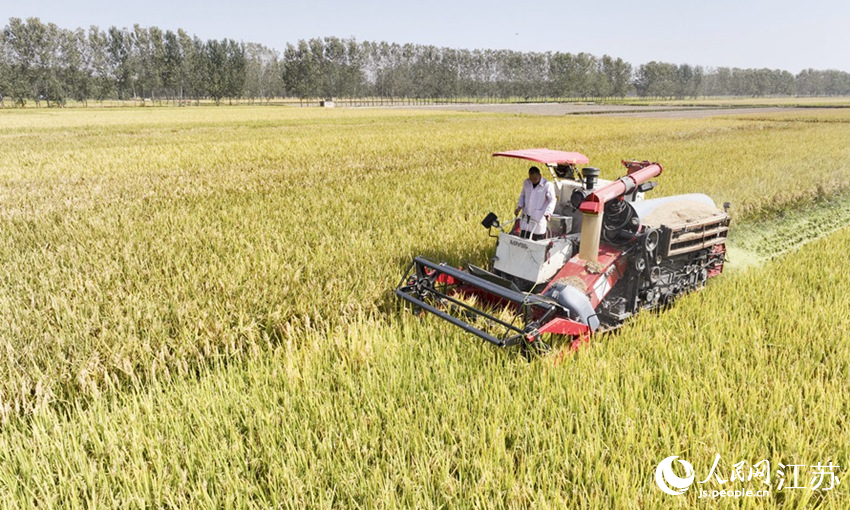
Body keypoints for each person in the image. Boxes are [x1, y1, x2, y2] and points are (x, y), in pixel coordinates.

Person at [514, 166, 556, 240]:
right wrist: (519, 207)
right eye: (531, 178)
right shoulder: (526, 183)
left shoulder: (547, 185)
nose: (533, 180)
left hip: (538, 218)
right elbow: (522, 196)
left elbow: (552, 200)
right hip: (526, 217)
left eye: (535, 179)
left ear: (540, 175)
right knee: (523, 241)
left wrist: (548, 213)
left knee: (536, 242)